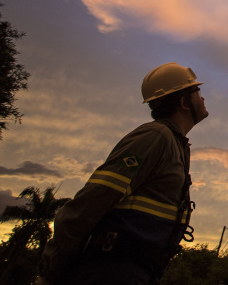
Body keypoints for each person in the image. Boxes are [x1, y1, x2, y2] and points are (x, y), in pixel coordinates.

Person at [40, 63, 209, 284]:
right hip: (111, 269)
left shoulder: (175, 144)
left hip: (137, 270)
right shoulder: (155, 136)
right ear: (184, 102)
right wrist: (51, 267)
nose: (202, 98)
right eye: (197, 92)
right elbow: (92, 200)